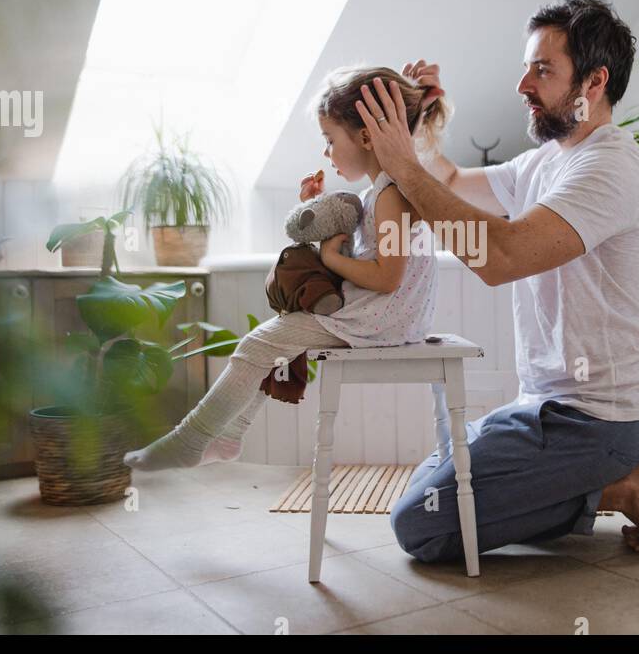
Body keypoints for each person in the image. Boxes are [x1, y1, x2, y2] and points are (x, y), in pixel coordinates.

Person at [369, 0, 639, 558]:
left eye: (542, 70)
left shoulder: (610, 165)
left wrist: (403, 166)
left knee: (420, 525)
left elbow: (501, 257)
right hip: (542, 404)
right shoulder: (547, 159)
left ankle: (623, 486)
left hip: (597, 419)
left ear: (593, 82)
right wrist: (418, 130)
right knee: (425, 488)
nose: (522, 85)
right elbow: (455, 181)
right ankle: (610, 482)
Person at [123, 67, 447, 470]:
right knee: (269, 347)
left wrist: (329, 259)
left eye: (330, 140)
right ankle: (227, 437)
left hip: (383, 320)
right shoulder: (380, 192)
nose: (326, 153)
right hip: (383, 315)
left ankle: (192, 440)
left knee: (258, 346)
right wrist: (321, 212)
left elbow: (387, 276)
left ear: (365, 136)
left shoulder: (391, 196)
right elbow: (369, 256)